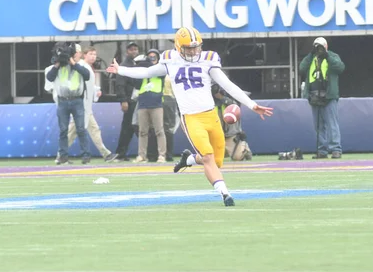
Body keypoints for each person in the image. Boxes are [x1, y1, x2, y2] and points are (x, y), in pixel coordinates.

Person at [107, 27, 273, 206]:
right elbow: (147, 72)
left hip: (211, 116)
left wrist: (251, 104)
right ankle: (225, 194)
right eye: (189, 48)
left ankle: (190, 159)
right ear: (179, 47)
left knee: (216, 161)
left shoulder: (208, 60)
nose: (193, 51)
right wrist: (120, 70)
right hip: (191, 118)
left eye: (196, 47)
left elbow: (228, 85)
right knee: (208, 158)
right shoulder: (170, 60)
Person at [45, 42, 92, 164]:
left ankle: (86, 155)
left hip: (77, 100)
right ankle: (63, 156)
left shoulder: (81, 65)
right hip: (63, 101)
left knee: (81, 129)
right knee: (63, 130)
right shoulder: (59, 65)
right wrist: (57, 65)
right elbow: (49, 77)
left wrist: (73, 64)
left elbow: (87, 76)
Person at [299, 37, 345, 159]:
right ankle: (322, 150)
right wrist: (310, 54)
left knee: (332, 124)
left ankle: (336, 149)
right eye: (316, 46)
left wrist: (327, 55)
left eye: (320, 46)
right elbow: (301, 68)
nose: (318, 49)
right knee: (318, 126)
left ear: (326, 46)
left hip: (329, 96)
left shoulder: (332, 56)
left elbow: (340, 67)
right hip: (314, 95)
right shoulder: (311, 58)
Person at [108, 41, 142, 161]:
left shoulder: (136, 63)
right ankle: (121, 152)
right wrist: (123, 100)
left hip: (137, 100)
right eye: (131, 49)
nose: (134, 51)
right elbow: (120, 84)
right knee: (129, 127)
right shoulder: (124, 64)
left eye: (135, 49)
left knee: (133, 127)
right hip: (130, 100)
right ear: (127, 51)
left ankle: (124, 152)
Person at [133, 49, 167, 163]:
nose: (152, 59)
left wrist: (146, 62)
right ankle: (142, 155)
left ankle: (162, 155)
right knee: (142, 131)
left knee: (159, 131)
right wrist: (142, 65)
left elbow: (158, 72)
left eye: (154, 57)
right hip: (143, 103)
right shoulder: (143, 71)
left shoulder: (160, 70)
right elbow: (136, 83)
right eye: (150, 57)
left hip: (156, 103)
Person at [213, 84, 253, 161]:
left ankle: (244, 147)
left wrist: (222, 98)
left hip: (230, 135)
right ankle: (225, 150)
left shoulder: (231, 100)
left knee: (237, 157)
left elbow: (236, 105)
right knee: (210, 158)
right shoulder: (207, 101)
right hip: (215, 135)